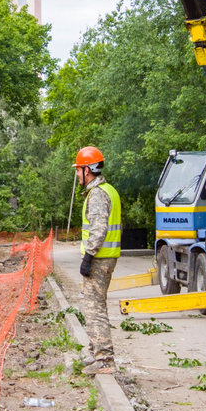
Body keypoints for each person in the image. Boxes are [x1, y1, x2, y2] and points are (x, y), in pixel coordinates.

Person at [73, 146, 122, 375]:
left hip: (99, 258)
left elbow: (98, 230)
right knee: (94, 306)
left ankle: (104, 360)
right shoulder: (108, 190)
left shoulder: (98, 194)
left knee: (94, 309)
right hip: (105, 257)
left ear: (87, 170)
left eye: (78, 170)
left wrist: (88, 257)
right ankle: (97, 354)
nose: (76, 174)